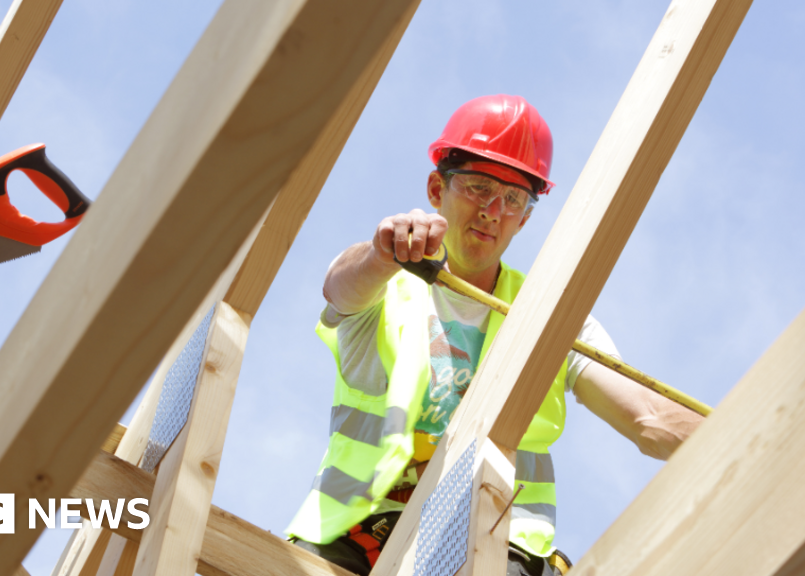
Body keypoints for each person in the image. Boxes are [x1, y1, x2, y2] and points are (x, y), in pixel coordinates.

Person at [286, 94, 703, 576]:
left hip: (492, 543)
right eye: (478, 187)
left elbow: (650, 417)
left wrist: (762, 437)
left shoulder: (552, 315)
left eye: (511, 199)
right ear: (436, 190)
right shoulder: (388, 284)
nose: (492, 210)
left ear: (525, 218)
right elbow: (341, 284)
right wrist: (383, 253)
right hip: (358, 535)